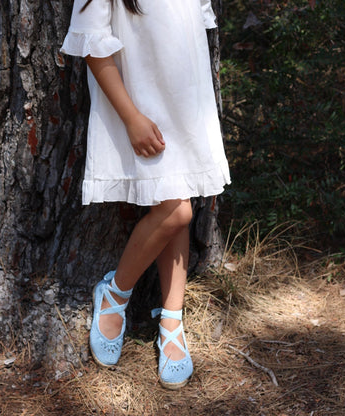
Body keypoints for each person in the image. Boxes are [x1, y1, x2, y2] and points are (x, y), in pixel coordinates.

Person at [60, 0, 230, 389]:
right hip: (140, 105)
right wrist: (132, 118)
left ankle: (172, 321)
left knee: (177, 199)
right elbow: (91, 44)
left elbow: (191, 30)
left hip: (184, 104)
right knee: (178, 211)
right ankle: (115, 293)